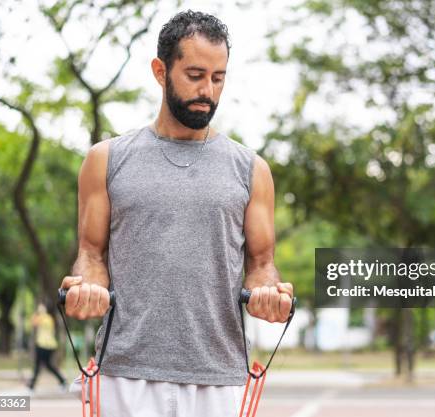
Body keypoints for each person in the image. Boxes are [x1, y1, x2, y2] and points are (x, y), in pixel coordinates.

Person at [60, 9, 294, 417]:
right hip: (125, 375)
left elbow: (261, 264)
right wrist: (86, 288)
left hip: (220, 378)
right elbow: (92, 255)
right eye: (195, 74)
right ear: (160, 70)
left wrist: (268, 295)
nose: (208, 89)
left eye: (218, 78)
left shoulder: (251, 169)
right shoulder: (106, 160)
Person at [27, 303, 67, 393]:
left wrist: (36, 314)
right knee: (48, 365)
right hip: (50, 345)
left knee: (38, 365)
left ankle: (31, 386)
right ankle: (62, 381)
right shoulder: (49, 318)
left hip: (42, 345)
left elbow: (32, 322)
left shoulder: (41, 318)